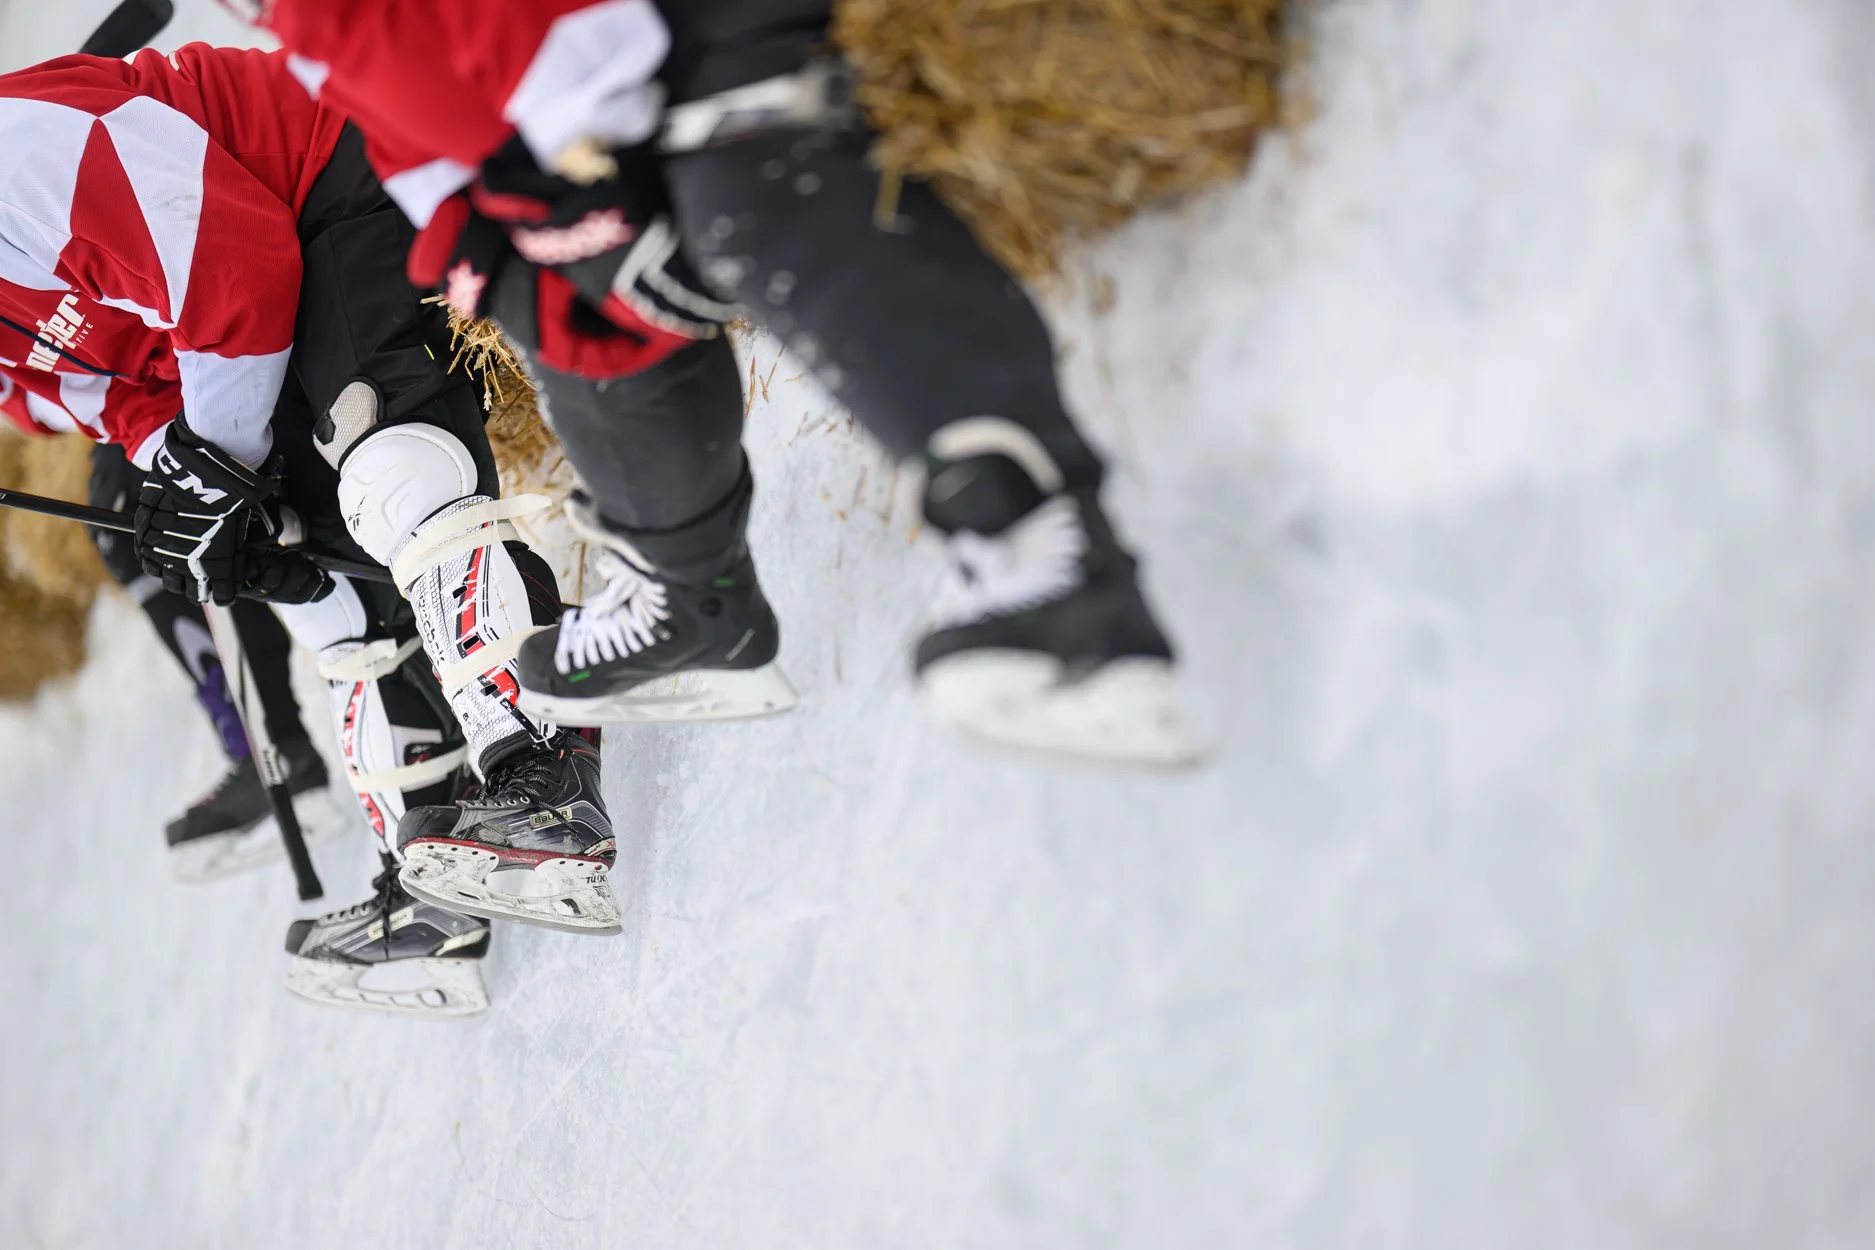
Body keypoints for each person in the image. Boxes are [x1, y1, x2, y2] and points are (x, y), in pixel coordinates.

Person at [233, 0, 1201, 767]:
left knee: (745, 173)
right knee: (563, 297)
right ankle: (693, 598)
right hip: (564, 60)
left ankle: (1049, 553)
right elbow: (372, 74)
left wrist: (585, 146)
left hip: (610, 28)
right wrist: (474, 224)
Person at [0, 43, 618, 1017]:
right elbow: (130, 398)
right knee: (316, 592)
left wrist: (221, 464)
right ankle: (434, 881)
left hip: (328, 180)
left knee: (390, 465)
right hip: (245, 299)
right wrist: (215, 506)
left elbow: (227, 254)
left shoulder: (16, 152)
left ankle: (544, 774)